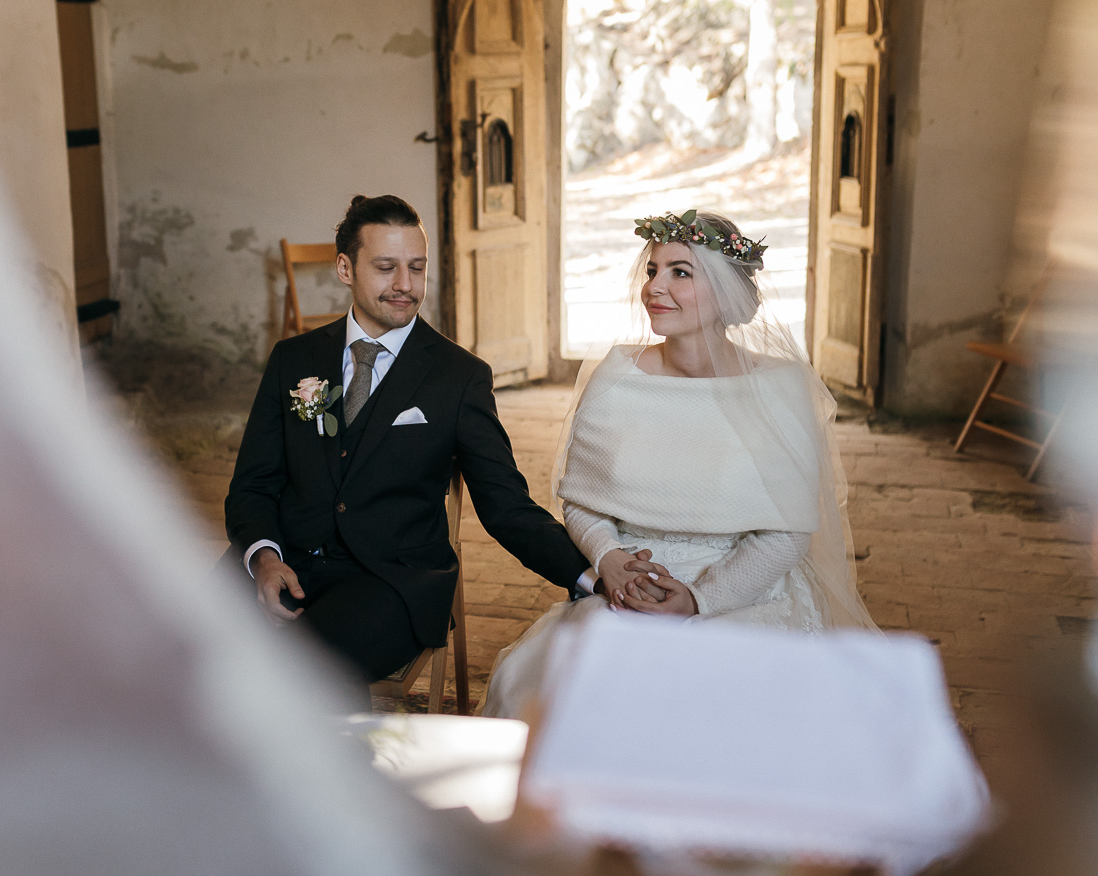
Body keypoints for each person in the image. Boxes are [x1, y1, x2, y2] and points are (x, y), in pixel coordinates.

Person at [482, 210, 877, 720]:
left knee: (709, 703)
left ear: (727, 293)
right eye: (652, 271)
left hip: (743, 593)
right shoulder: (617, 379)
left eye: (680, 273)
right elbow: (581, 501)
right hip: (630, 587)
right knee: (571, 694)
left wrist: (698, 599)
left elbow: (787, 533)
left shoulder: (778, 390)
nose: (655, 287)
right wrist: (608, 560)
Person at [224, 194, 596, 688]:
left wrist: (590, 577)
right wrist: (264, 559)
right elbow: (253, 484)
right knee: (174, 650)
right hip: (283, 558)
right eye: (385, 267)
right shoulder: (293, 360)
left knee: (304, 677)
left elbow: (507, 505)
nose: (405, 285)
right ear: (345, 268)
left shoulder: (459, 377)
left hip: (391, 582)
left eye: (416, 268)